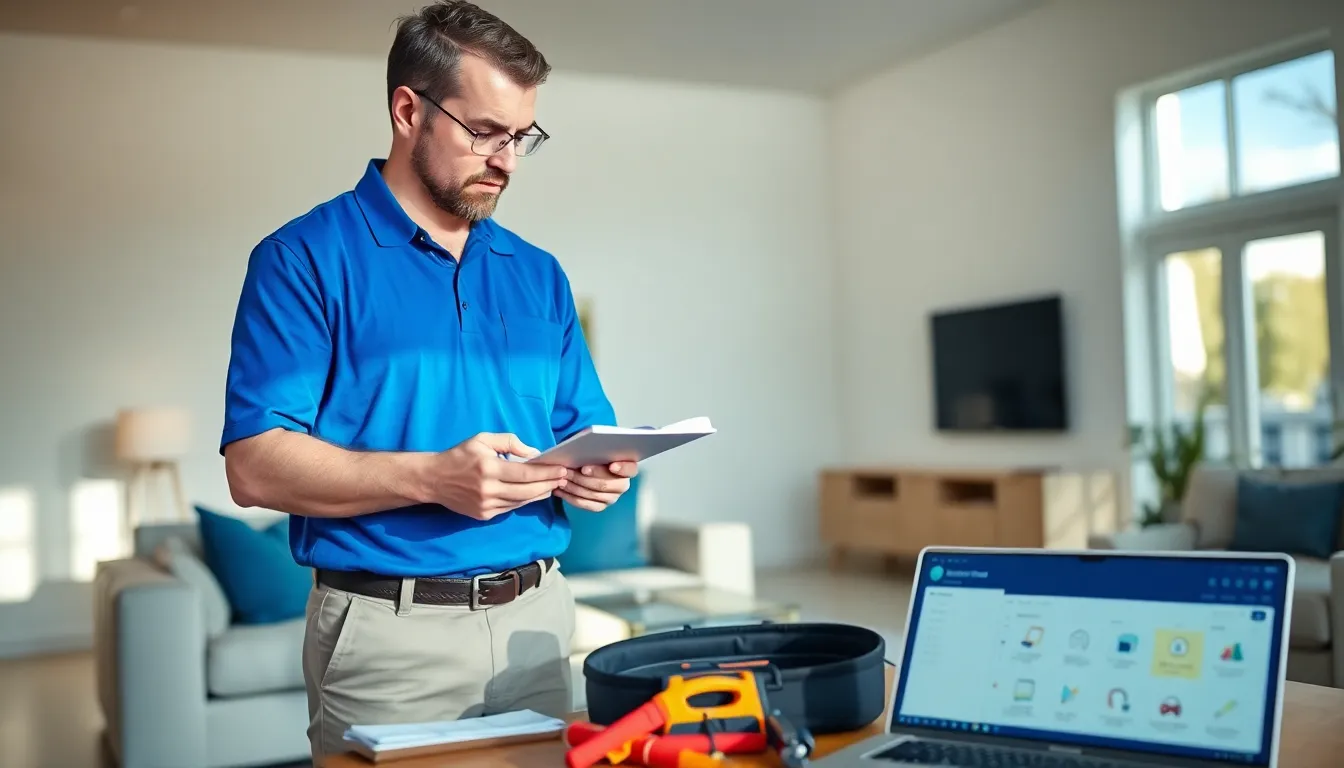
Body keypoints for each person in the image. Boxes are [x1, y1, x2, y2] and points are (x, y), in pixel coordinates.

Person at [218, 0, 635, 759]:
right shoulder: (301, 259)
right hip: (387, 639)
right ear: (408, 110)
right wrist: (433, 478)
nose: (506, 158)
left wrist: (602, 471)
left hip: (539, 623)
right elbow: (252, 465)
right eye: (485, 132)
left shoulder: (540, 275)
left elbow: (582, 428)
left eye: (521, 137)